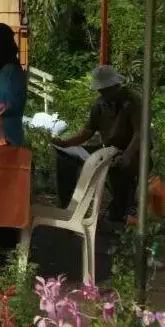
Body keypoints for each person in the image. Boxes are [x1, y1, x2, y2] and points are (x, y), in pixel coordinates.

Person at [52, 64, 141, 223]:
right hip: (108, 150)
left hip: (133, 151)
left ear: (115, 85)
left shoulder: (132, 101)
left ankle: (120, 211)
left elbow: (140, 133)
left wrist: (127, 155)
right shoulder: (99, 104)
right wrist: (65, 143)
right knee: (65, 158)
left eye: (105, 89)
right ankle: (68, 204)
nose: (102, 93)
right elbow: (88, 131)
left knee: (122, 168)